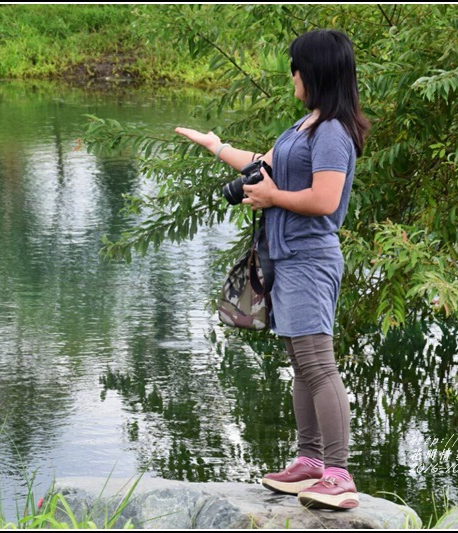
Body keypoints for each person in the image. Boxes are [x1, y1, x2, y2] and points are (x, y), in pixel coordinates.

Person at [175, 29, 368, 511]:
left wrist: (271, 197)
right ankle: (311, 461)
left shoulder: (332, 133)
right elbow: (263, 165)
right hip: (286, 259)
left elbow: (324, 199)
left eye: (296, 67)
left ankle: (339, 475)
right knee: (302, 362)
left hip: (310, 259)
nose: (292, 75)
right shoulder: (307, 125)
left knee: (319, 363)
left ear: (315, 71)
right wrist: (216, 146)